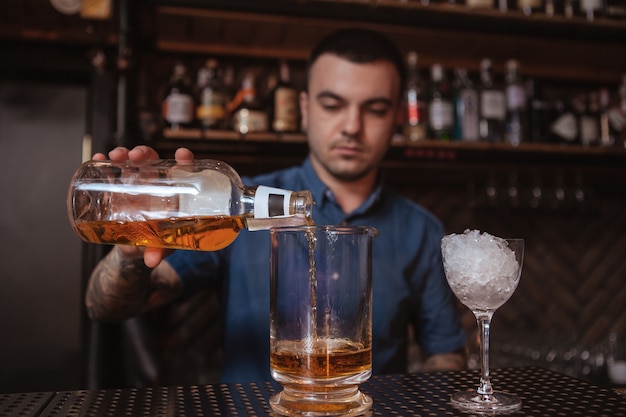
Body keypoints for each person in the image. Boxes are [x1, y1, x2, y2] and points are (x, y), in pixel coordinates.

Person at [86, 28, 466, 383]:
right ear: (304, 108)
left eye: (376, 109)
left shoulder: (423, 232)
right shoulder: (233, 208)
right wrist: (131, 251)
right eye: (333, 104)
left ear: (399, 115)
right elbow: (104, 307)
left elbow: (445, 355)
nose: (352, 125)